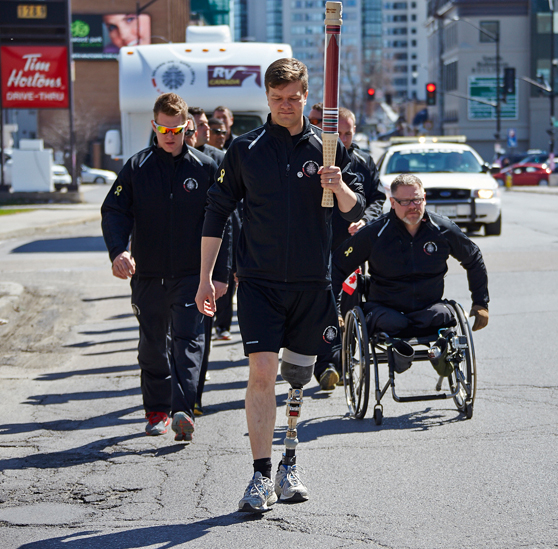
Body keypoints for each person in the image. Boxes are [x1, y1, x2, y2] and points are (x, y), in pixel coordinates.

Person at [195, 58, 365, 513]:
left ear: (307, 96)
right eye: (276, 99)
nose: (285, 106)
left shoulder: (327, 149)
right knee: (262, 372)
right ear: (266, 99)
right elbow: (217, 210)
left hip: (312, 283)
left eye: (293, 98)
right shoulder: (246, 150)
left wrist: (339, 186)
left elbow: (356, 211)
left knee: (296, 379)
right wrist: (206, 278)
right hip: (259, 283)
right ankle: (260, 474)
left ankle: (291, 464)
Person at [101, 92, 230, 442]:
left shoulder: (204, 168)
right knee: (154, 345)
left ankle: (183, 411)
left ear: (187, 127)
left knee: (189, 341)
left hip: (192, 275)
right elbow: (114, 211)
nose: (169, 136)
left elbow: (225, 220)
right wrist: (118, 252)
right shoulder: (137, 167)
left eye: (176, 130)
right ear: (154, 127)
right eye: (163, 130)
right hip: (148, 275)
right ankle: (157, 410)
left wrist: (218, 274)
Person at [331, 173, 489, 346]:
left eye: (417, 200)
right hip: (386, 311)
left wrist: (480, 303)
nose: (412, 206)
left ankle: (440, 357)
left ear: (425, 199)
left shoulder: (442, 229)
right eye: (405, 202)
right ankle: (400, 355)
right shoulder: (374, 233)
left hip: (428, 310)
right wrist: (335, 310)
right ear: (392, 203)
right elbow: (339, 265)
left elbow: (473, 258)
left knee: (443, 315)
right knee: (392, 322)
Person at [314, 107, 386, 391]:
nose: (342, 138)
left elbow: (378, 199)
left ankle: (345, 361)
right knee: (325, 305)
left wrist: (364, 219)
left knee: (351, 304)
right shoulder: (315, 156)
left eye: (348, 133)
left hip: (353, 246)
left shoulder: (363, 161)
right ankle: (326, 365)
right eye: (337, 133)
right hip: (319, 247)